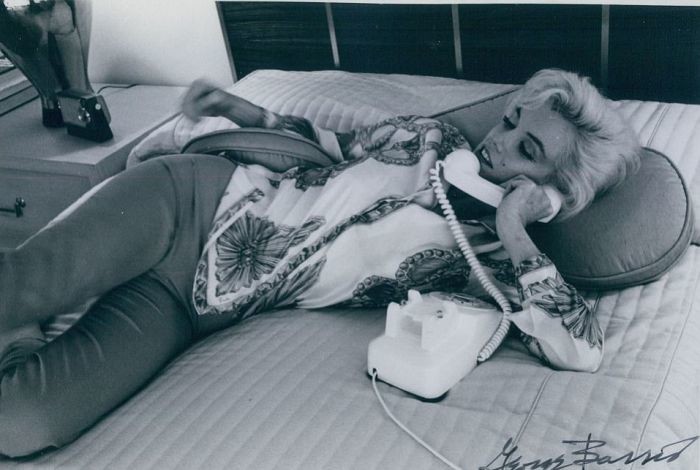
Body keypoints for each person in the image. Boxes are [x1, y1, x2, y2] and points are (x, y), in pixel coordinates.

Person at [0, 69, 640, 457]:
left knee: (22, 424)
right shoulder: (429, 138)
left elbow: (581, 350)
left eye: (527, 149)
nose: (498, 143)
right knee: (16, 287)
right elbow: (322, 144)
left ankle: (21, 329)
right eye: (510, 121)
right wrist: (235, 109)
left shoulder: (493, 265)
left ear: (555, 192)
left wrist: (513, 223)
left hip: (193, 304)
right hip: (192, 201)